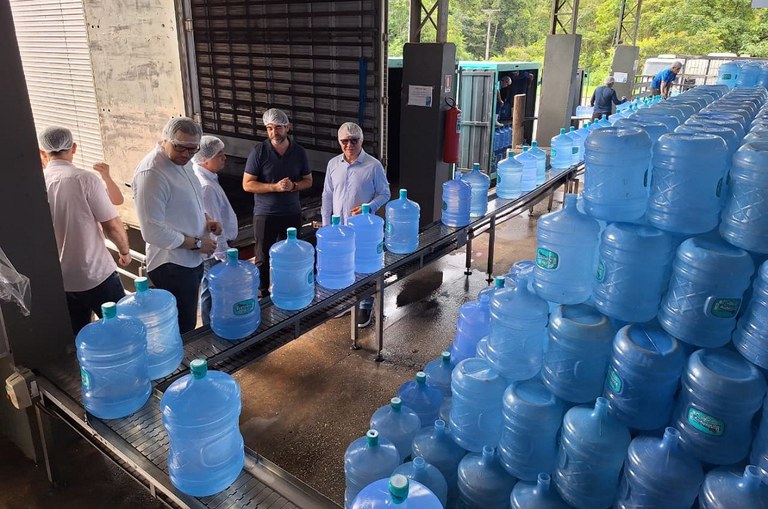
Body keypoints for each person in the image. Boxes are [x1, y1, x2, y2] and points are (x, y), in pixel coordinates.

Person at [39, 126, 132, 335]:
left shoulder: (38, 183)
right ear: (73, 148)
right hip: (96, 274)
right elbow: (112, 225)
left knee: (80, 338)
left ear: (42, 153)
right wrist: (124, 251)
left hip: (61, 280)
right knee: (121, 331)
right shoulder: (84, 179)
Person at [133, 117, 222, 334]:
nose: (186, 154)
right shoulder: (152, 173)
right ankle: (181, 367)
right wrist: (196, 243)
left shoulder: (184, 163)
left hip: (190, 259)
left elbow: (189, 200)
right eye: (180, 147)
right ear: (165, 140)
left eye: (192, 150)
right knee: (181, 328)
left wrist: (206, 219)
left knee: (188, 320)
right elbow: (151, 230)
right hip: (172, 264)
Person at [321, 122, 391, 328]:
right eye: (345, 141)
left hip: (363, 230)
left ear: (362, 141)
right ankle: (343, 302)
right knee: (341, 264)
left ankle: (365, 304)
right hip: (338, 228)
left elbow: (385, 193)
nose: (349, 145)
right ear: (339, 141)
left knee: (364, 266)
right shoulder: (333, 164)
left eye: (354, 140)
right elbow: (327, 195)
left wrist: (368, 207)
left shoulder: (373, 165)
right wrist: (326, 225)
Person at [243, 108, 312, 297]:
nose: (274, 133)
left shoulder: (299, 152)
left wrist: (294, 186)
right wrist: (274, 187)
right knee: (262, 257)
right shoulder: (259, 151)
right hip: (265, 214)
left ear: (287, 127)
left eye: (279, 128)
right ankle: (263, 292)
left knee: (291, 254)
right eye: (270, 128)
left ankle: (288, 288)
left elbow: (309, 181)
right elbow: (247, 184)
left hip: (291, 212)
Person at [193, 136, 238, 325]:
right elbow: (213, 228)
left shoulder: (207, 178)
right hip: (214, 252)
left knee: (211, 290)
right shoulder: (206, 187)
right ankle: (211, 329)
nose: (224, 157)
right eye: (219, 154)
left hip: (215, 250)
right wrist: (224, 254)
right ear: (205, 158)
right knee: (211, 292)